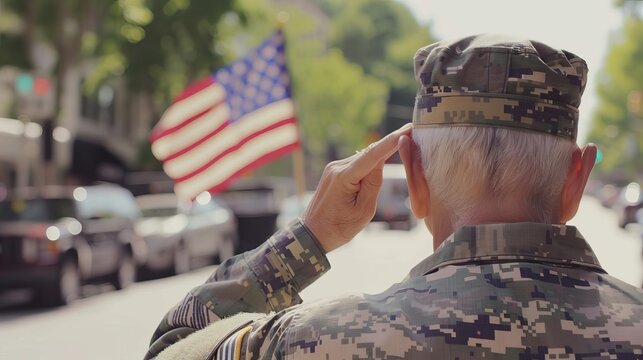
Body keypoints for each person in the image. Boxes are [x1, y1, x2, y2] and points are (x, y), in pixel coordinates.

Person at [145, 34, 643, 360]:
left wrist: (308, 237)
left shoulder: (310, 342)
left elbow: (175, 347)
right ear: (578, 179)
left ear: (414, 178)